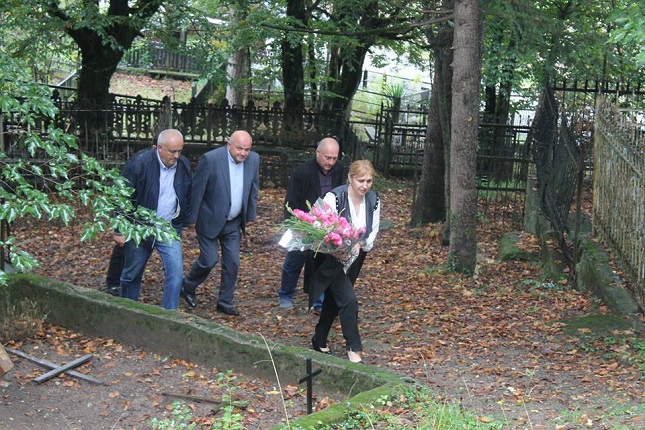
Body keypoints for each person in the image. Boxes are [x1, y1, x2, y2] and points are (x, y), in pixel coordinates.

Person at [181, 130, 260, 316]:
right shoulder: (211, 160)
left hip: (233, 222)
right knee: (209, 260)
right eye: (239, 148)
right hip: (209, 219)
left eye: (247, 149)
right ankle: (187, 285)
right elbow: (197, 190)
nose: (243, 153)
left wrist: (250, 214)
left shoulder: (254, 160)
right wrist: (191, 219)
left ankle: (225, 301)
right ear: (229, 145)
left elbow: (253, 187)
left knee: (233, 262)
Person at [308, 160, 380, 363]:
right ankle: (354, 349)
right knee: (349, 300)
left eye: (369, 181)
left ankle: (319, 338)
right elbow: (318, 228)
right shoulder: (334, 197)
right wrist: (336, 250)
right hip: (330, 259)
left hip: (355, 257)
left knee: (334, 299)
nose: (364, 186)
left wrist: (360, 243)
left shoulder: (373, 199)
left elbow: (372, 230)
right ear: (350, 178)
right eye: (360, 181)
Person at [115, 129, 193, 310]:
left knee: (176, 274)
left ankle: (169, 315)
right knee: (131, 274)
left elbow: (188, 192)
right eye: (172, 151)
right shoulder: (139, 163)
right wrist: (119, 229)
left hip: (168, 227)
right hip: (140, 227)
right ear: (159, 148)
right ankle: (127, 310)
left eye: (179, 151)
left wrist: (187, 219)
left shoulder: (183, 165)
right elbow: (121, 195)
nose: (176, 156)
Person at [278, 137, 345, 311]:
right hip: (303, 221)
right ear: (318, 153)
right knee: (295, 260)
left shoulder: (339, 169)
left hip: (327, 223)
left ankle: (317, 300)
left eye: (334, 158)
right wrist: (294, 225)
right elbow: (291, 201)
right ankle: (286, 294)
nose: (331, 162)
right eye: (327, 158)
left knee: (321, 262)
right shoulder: (302, 172)